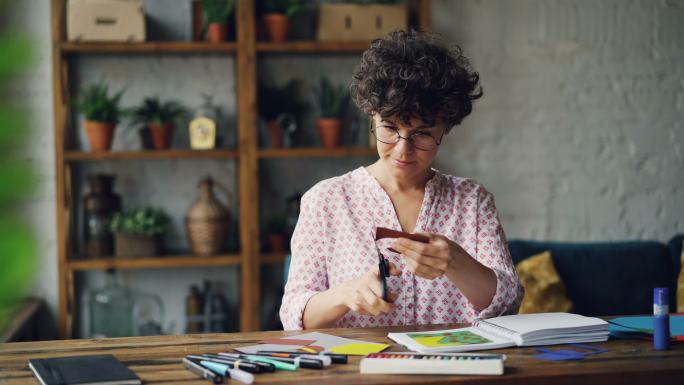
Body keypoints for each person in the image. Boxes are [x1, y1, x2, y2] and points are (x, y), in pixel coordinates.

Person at [279, 30, 523, 330]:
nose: (403, 149)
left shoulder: (472, 201)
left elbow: (509, 302)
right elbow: (293, 315)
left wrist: (455, 262)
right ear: (371, 115)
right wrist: (345, 294)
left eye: (423, 134)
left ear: (445, 128)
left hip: (452, 371)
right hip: (359, 373)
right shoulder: (326, 200)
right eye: (389, 128)